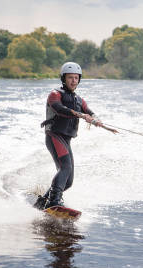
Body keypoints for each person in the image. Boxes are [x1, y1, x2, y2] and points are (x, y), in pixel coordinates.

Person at [34, 62, 117, 210]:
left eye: (76, 78)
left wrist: (97, 120)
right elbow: (60, 109)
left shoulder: (79, 100)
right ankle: (55, 200)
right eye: (70, 77)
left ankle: (43, 202)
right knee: (65, 167)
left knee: (69, 181)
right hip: (54, 135)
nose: (73, 81)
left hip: (66, 139)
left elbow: (90, 112)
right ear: (63, 78)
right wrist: (81, 115)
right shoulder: (55, 94)